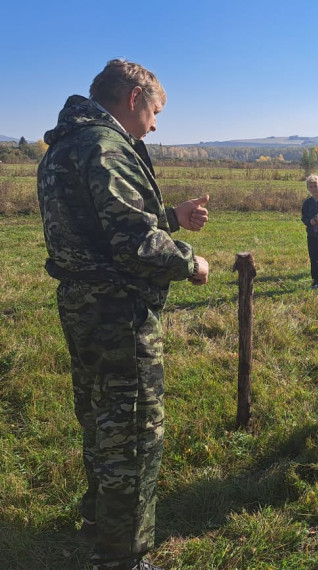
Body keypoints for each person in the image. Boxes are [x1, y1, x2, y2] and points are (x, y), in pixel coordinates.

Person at [37, 59, 210, 570]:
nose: (156, 124)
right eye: (155, 111)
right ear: (134, 98)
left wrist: (169, 217)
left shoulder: (64, 146)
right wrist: (189, 259)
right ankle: (124, 555)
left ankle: (98, 520)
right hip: (118, 313)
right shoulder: (105, 146)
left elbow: (102, 224)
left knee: (98, 419)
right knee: (134, 432)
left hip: (83, 307)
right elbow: (134, 244)